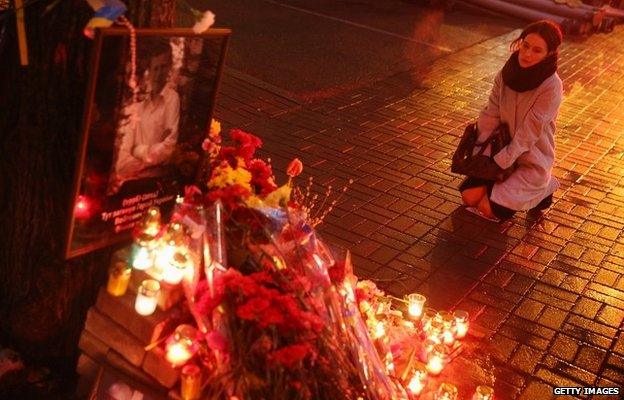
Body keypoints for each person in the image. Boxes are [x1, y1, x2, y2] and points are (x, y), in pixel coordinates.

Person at [459, 20, 563, 221]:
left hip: (529, 159)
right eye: (525, 45)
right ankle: (511, 188)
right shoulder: (507, 73)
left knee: (488, 210)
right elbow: (491, 113)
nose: (527, 54)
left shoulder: (551, 85)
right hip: (499, 151)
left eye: (537, 50)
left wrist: (502, 161)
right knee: (469, 198)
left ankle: (544, 187)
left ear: (549, 54)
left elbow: (529, 134)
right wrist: (482, 153)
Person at [108, 40, 180, 196]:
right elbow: (122, 155)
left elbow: (169, 147)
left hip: (156, 182)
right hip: (133, 179)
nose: (159, 73)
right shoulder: (137, 102)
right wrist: (144, 162)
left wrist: (138, 150)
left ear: (169, 68)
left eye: (163, 67)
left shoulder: (172, 99)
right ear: (149, 71)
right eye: (155, 68)